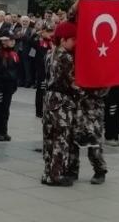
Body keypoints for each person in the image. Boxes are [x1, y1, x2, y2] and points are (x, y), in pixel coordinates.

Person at [41, 20, 76, 186]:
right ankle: (56, 174)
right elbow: (72, 83)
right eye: (73, 39)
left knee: (48, 137)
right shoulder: (66, 57)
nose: (75, 43)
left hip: (49, 98)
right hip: (62, 101)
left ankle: (47, 173)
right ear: (63, 39)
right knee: (61, 138)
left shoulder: (50, 53)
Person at [0, 30, 19, 141]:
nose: (12, 41)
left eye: (13, 39)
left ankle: (3, 131)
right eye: (10, 39)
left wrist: (15, 84)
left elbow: (16, 70)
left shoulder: (14, 53)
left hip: (9, 86)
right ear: (4, 41)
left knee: (5, 109)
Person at [32, 24, 53, 118]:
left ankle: (47, 110)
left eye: (51, 31)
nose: (50, 33)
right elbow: (32, 52)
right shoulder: (38, 41)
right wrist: (37, 34)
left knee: (48, 90)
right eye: (47, 31)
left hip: (51, 70)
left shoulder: (52, 42)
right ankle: (39, 111)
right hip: (41, 69)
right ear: (43, 32)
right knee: (41, 90)